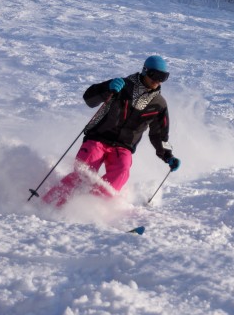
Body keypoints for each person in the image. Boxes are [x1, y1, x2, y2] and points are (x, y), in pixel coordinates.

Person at [43, 55, 181, 206]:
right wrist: (107, 88)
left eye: (163, 77)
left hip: (123, 147)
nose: (157, 81)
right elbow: (89, 99)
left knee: (121, 172)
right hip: (98, 139)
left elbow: (159, 134)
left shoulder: (159, 104)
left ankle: (91, 207)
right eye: (154, 75)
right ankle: (51, 203)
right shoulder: (122, 85)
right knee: (84, 172)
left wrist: (168, 156)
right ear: (144, 71)